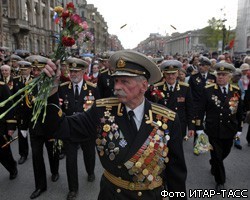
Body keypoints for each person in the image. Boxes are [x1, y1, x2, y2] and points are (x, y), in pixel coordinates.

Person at [42, 50, 187, 200]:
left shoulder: (166, 119)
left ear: (144, 86)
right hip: (112, 195)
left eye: (124, 81)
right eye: (116, 80)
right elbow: (62, 128)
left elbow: (176, 175)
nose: (116, 87)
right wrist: (52, 89)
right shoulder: (101, 110)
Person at [195, 62, 243, 192]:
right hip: (213, 129)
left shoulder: (235, 91)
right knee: (216, 155)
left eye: (224, 75)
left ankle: (214, 164)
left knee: (225, 152)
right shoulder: (208, 90)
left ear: (230, 77)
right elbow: (200, 110)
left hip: (229, 129)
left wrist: (239, 129)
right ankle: (220, 181)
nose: (220, 77)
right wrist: (198, 128)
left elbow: (239, 112)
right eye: (219, 74)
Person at [58, 57, 100, 200]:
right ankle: (73, 189)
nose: (73, 74)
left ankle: (90, 171)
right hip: (70, 129)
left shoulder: (93, 89)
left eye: (77, 71)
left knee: (89, 155)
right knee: (70, 160)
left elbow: (98, 109)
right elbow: (60, 108)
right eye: (71, 71)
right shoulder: (63, 88)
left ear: (83, 71)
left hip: (87, 129)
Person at [24, 55, 60, 199]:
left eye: (39, 70)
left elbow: (55, 105)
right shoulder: (29, 84)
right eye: (34, 70)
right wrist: (24, 126)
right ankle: (40, 186)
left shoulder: (52, 84)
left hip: (49, 126)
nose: (36, 73)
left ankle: (55, 171)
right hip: (35, 128)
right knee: (36, 156)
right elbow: (27, 107)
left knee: (52, 152)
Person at [146, 60, 195, 140]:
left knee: (177, 151)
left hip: (179, 125)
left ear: (177, 73)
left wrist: (191, 126)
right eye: (168, 74)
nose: (171, 76)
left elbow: (190, 108)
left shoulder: (185, 88)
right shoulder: (157, 88)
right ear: (164, 74)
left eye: (173, 74)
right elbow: (149, 105)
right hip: (162, 125)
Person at [188, 56, 216, 155]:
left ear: (208, 66)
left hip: (210, 106)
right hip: (197, 105)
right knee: (197, 125)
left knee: (209, 125)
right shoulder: (194, 77)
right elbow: (190, 93)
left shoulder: (213, 77)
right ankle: (197, 146)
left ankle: (210, 144)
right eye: (199, 65)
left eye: (203, 65)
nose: (200, 67)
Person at [12, 60, 34, 164]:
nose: (24, 71)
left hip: (33, 112)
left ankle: (36, 151)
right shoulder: (16, 80)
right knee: (22, 134)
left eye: (25, 69)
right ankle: (23, 154)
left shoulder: (36, 80)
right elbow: (13, 97)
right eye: (22, 70)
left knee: (35, 133)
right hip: (21, 112)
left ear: (30, 69)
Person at [0, 81, 18, 180]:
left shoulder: (2, 87)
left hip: (1, 125)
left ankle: (12, 167)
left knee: (3, 152)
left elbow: (10, 106)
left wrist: (11, 126)